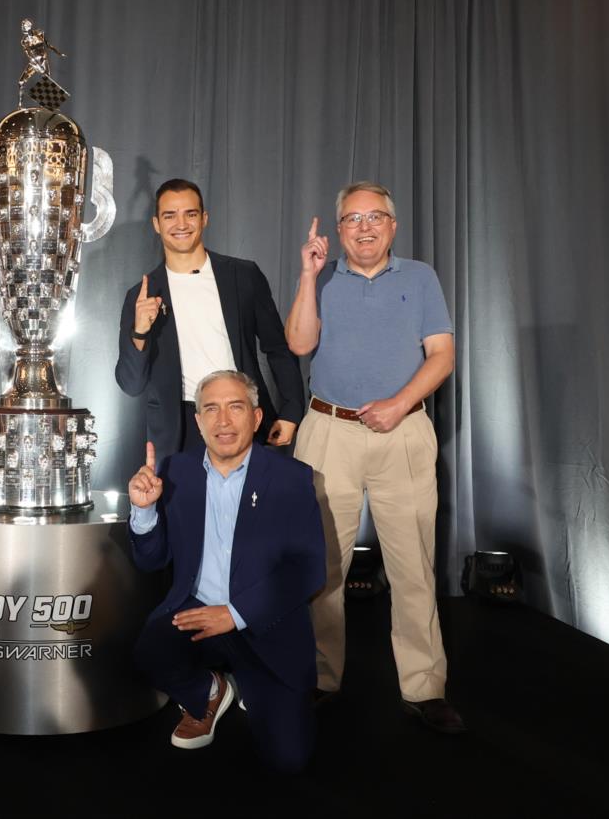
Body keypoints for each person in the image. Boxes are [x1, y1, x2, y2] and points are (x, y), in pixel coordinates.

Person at [284, 181, 464, 734]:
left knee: (413, 565)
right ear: (339, 230)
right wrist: (308, 276)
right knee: (322, 565)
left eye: (375, 217)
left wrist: (399, 404)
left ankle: (424, 686)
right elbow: (299, 343)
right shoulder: (323, 276)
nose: (364, 228)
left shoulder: (421, 277)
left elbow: (442, 355)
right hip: (328, 432)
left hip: (402, 432)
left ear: (392, 225)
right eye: (353, 219)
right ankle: (321, 677)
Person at [127, 370, 325, 772]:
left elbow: (308, 570)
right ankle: (209, 691)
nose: (223, 421)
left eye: (235, 408)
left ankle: (252, 685)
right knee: (148, 651)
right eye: (211, 409)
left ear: (256, 417)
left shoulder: (291, 478)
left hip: (264, 623)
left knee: (288, 759)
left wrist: (234, 614)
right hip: (197, 613)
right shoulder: (175, 471)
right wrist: (143, 510)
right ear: (197, 421)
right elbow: (152, 560)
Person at [116, 178, 305, 458]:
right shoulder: (141, 295)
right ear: (156, 224)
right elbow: (131, 385)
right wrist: (140, 331)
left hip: (242, 416)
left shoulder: (242, 276)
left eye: (190, 214)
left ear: (204, 219)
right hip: (179, 430)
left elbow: (277, 347)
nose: (181, 224)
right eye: (170, 216)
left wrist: (291, 411)